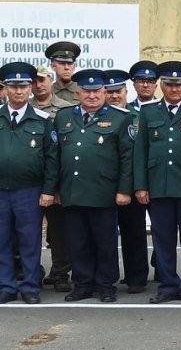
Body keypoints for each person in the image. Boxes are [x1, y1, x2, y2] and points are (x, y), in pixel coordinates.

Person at [134, 61, 181, 304]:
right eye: (169, 84)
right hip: (159, 186)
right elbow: (141, 151)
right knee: (163, 240)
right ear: (161, 85)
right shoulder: (147, 111)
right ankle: (167, 285)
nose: (174, 89)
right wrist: (141, 185)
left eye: (178, 84)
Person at [54, 69, 135, 302]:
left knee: (105, 242)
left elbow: (127, 158)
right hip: (72, 190)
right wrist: (55, 188)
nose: (92, 96)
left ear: (104, 92)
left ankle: (106, 285)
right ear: (78, 92)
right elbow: (55, 156)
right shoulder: (63, 117)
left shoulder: (121, 118)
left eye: (97, 91)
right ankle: (82, 284)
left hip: (104, 192)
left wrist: (124, 190)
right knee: (78, 243)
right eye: (87, 91)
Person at [0, 62, 59, 304]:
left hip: (29, 191)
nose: (18, 92)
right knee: (2, 240)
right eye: (13, 86)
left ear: (31, 88)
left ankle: (31, 287)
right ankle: (6, 285)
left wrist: (48, 190)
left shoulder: (43, 120)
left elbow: (52, 158)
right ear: (4, 88)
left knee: (30, 241)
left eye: (23, 86)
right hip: (1, 191)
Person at [100, 67, 149, 294]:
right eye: (108, 92)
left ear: (125, 91)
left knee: (134, 232)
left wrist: (137, 185)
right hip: (104, 185)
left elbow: (139, 155)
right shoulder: (97, 117)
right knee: (104, 235)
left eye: (117, 91)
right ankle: (104, 277)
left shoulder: (136, 116)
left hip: (131, 184)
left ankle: (136, 278)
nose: (113, 96)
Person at [32, 65, 73, 292]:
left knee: (58, 231)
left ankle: (60, 273)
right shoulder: (22, 107)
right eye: (34, 81)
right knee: (26, 231)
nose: (39, 85)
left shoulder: (66, 109)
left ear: (51, 81)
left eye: (42, 80)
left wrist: (57, 185)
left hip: (56, 178)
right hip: (28, 180)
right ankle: (30, 271)